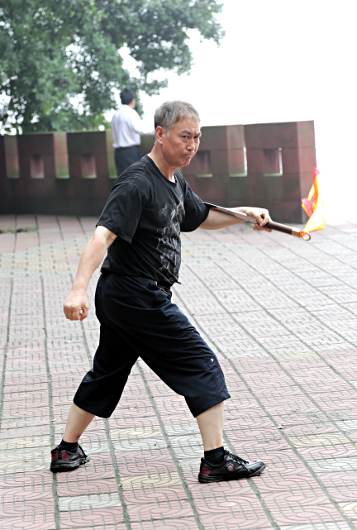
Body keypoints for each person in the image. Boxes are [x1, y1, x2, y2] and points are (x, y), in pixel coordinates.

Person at [50, 101, 272, 483]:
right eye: (185, 136)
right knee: (201, 362)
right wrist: (77, 290)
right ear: (160, 134)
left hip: (126, 298)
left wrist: (244, 213)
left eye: (197, 137)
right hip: (136, 295)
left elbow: (200, 216)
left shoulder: (172, 180)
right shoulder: (137, 182)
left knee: (107, 372)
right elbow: (102, 235)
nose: (192, 145)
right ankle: (215, 460)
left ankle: (66, 449)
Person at [111, 88, 155, 176]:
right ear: (133, 101)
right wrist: (157, 130)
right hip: (130, 152)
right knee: (134, 179)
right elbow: (139, 129)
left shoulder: (115, 115)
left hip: (118, 153)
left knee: (123, 181)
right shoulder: (130, 112)